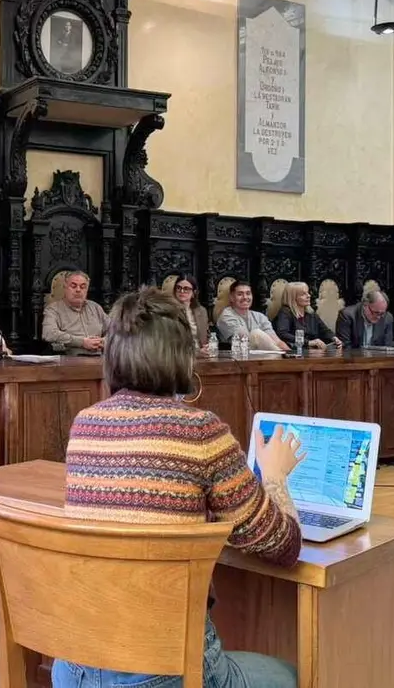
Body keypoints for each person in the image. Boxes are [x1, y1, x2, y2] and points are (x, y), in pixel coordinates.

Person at [59, 287, 303, 688]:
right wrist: (274, 476)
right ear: (184, 357)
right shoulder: (199, 430)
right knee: (297, 673)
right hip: (162, 667)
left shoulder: (86, 424)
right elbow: (284, 546)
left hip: (75, 662)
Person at [42, 271, 109, 354]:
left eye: (82, 287)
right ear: (65, 287)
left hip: (100, 360)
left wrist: (104, 341)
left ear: (87, 290)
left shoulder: (95, 307)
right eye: (73, 286)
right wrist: (81, 342)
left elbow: (116, 331)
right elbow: (48, 334)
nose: (78, 290)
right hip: (69, 362)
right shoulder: (53, 309)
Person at [216, 280, 286, 351]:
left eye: (248, 293)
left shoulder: (260, 316)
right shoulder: (226, 316)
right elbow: (245, 339)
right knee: (256, 334)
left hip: (265, 357)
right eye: (240, 294)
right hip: (238, 357)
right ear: (231, 297)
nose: (245, 297)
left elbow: (276, 341)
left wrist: (289, 354)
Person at [273, 281, 339, 349]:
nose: (308, 296)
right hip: (294, 352)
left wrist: (334, 338)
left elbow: (325, 330)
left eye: (307, 292)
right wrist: (308, 342)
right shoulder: (285, 312)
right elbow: (283, 334)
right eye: (303, 294)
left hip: (313, 352)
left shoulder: (311, 313)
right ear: (292, 298)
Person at [172, 274, 210, 350]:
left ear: (194, 293)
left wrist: (209, 346)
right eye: (179, 288)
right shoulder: (169, 310)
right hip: (179, 356)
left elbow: (207, 336)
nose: (182, 291)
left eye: (186, 289)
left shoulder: (201, 311)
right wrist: (197, 353)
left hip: (202, 355)